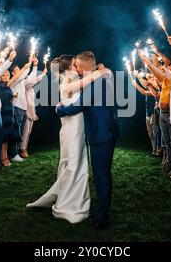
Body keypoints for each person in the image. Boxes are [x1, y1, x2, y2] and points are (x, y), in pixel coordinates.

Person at [55, 51, 119, 229]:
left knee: (101, 175)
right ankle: (101, 211)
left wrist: (59, 110)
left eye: (78, 66)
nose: (77, 69)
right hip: (108, 130)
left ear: (82, 67)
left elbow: (78, 106)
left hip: (101, 134)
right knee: (103, 173)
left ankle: (101, 218)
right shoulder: (100, 77)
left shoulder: (94, 82)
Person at [9, 58, 37, 162]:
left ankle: (15, 153)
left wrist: (34, 66)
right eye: (17, 70)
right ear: (12, 73)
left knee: (20, 132)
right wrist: (28, 64)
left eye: (19, 69)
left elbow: (32, 79)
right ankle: (13, 154)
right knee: (16, 132)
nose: (19, 71)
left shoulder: (22, 82)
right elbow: (21, 75)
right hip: (16, 108)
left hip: (23, 109)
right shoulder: (14, 81)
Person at [19, 66, 48, 158]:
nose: (30, 80)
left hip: (31, 112)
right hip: (25, 112)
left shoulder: (31, 89)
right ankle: (22, 149)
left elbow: (32, 102)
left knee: (29, 132)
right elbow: (34, 81)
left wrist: (34, 112)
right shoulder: (24, 86)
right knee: (25, 131)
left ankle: (25, 148)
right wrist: (42, 74)